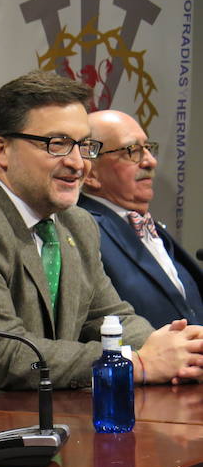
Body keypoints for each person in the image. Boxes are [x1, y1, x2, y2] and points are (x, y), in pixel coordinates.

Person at [0, 71, 203, 424]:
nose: (77, 162)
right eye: (57, 144)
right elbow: (10, 357)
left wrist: (182, 353)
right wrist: (140, 363)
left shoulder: (77, 223)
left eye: (83, 145)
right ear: (2, 150)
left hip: (24, 428)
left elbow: (110, 318)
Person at [79, 109, 203, 327]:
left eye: (147, 148)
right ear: (90, 174)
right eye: (132, 151)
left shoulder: (149, 225)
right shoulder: (83, 230)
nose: (150, 161)